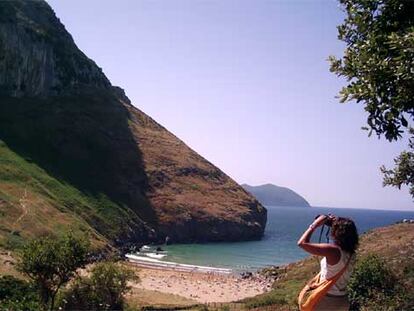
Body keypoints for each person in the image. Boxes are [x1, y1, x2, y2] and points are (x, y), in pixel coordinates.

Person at [297, 214, 359, 311]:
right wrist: (335, 224)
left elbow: (302, 243)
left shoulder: (334, 251)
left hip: (326, 301)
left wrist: (315, 224)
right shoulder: (351, 253)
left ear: (337, 233)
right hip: (342, 301)